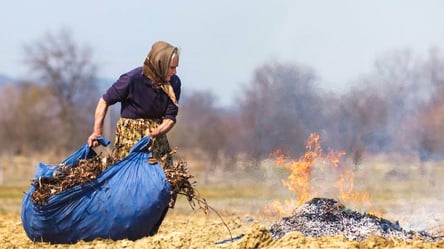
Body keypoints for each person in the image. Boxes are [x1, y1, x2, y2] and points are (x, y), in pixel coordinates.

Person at [87, 41, 181, 168]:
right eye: (172, 67)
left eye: (176, 67)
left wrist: (156, 132)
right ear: (160, 65)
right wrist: (97, 132)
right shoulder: (132, 79)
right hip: (130, 139)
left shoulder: (174, 84)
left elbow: (170, 118)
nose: (175, 72)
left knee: (164, 181)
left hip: (157, 139)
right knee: (129, 178)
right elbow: (104, 101)